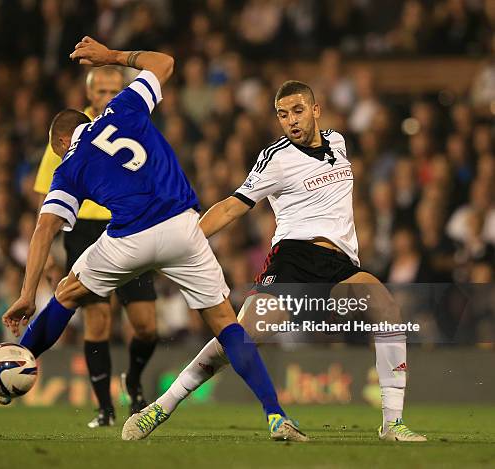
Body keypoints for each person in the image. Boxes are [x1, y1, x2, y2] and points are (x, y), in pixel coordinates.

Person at [0, 37, 306, 442]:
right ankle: (275, 415)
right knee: (225, 324)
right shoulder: (124, 107)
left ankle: (15, 363)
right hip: (185, 228)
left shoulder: (69, 166)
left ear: (60, 143)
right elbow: (165, 61)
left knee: (66, 293)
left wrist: (27, 294)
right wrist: (112, 56)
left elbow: (45, 229)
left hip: (131, 237)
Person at [124, 80, 428, 442]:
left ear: (315, 110)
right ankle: (162, 407)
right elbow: (232, 206)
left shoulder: (339, 142)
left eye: (298, 111)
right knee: (239, 339)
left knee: (386, 308)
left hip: (342, 266)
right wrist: (184, 239)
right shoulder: (276, 158)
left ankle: (392, 424)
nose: (291, 121)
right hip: (294, 261)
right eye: (283, 115)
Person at [33, 66, 158, 427]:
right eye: (101, 91)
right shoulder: (70, 134)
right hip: (84, 230)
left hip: (131, 224)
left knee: (146, 326)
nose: (107, 97)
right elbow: (46, 198)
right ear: (89, 95)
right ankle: (105, 408)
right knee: (98, 320)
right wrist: (52, 255)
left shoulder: (134, 126)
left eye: (114, 91)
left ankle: (132, 379)